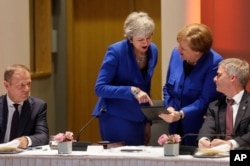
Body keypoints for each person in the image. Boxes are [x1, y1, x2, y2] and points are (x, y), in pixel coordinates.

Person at [92, 11, 158, 145]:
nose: (145, 42)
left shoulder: (153, 51)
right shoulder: (116, 51)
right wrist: (131, 90)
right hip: (115, 116)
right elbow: (100, 88)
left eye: (149, 37)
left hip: (139, 117)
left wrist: (147, 121)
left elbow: (146, 87)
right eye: (140, 39)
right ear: (130, 38)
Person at [159, 23, 223, 146]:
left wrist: (181, 113)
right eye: (179, 45)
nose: (178, 50)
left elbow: (205, 100)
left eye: (183, 48)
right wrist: (170, 107)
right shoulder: (175, 54)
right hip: (174, 128)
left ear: (198, 52)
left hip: (198, 130)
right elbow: (168, 88)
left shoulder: (214, 63)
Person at [198, 58, 250, 149]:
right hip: (219, 159)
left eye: (218, 75)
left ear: (232, 78)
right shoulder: (214, 106)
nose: (214, 79)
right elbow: (207, 129)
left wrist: (231, 144)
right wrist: (203, 140)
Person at [0, 64, 49, 148]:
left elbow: (43, 136)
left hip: (22, 158)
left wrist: (26, 140)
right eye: (21, 85)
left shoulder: (38, 107)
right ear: (7, 85)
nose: (27, 89)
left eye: (29, 84)